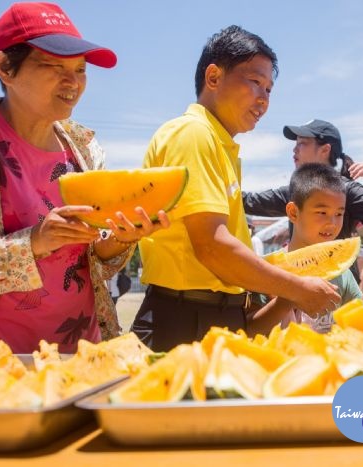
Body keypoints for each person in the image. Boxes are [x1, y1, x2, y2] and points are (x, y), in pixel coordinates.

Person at [0, 3, 168, 353]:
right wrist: (33, 243)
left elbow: (96, 263)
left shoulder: (85, 148)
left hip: (82, 354)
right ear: (4, 67)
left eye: (80, 69)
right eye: (54, 66)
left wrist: (119, 239)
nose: (73, 82)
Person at [132, 26, 339, 352]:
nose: (264, 99)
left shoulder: (219, 143)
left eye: (269, 89)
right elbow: (214, 247)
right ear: (213, 77)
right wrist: (298, 288)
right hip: (184, 320)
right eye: (255, 82)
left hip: (207, 315)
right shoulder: (194, 134)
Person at [242, 119, 363, 280]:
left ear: (325, 149)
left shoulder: (348, 190)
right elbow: (246, 202)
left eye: (302, 143)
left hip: (339, 286)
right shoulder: (295, 190)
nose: (294, 150)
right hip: (300, 284)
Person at [247, 164, 363, 336]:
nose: (332, 223)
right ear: (293, 212)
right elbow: (249, 329)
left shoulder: (341, 272)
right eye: (322, 212)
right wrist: (290, 295)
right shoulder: (265, 269)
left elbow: (350, 329)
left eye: (339, 214)